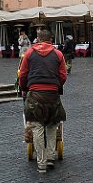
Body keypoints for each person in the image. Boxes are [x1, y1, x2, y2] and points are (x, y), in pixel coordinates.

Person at [17, 28, 67, 173]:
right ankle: (51, 157)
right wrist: (56, 85)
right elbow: (63, 75)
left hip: (35, 94)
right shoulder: (58, 54)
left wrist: (24, 88)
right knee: (51, 126)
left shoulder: (29, 53)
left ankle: (42, 163)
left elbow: (23, 75)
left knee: (37, 127)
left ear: (37, 39)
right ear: (51, 40)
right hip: (52, 94)